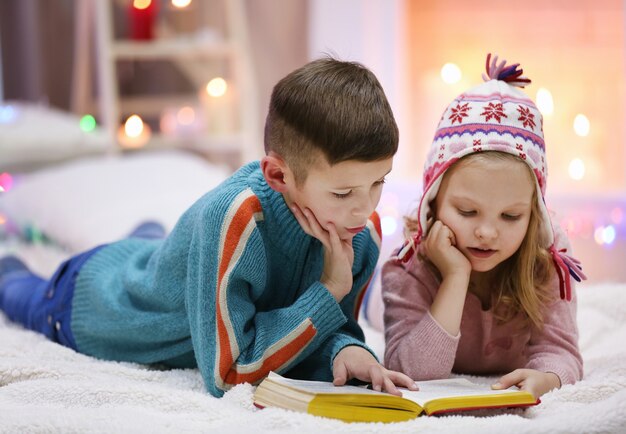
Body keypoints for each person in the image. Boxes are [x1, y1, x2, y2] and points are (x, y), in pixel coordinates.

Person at [0, 57, 416, 398]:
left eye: (379, 182)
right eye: (343, 193)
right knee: (16, 288)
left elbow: (330, 327)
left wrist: (346, 351)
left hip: (165, 267)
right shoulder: (231, 219)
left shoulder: (363, 231)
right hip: (92, 301)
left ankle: (150, 235)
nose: (364, 209)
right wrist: (328, 292)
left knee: (157, 248)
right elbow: (227, 374)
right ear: (278, 176)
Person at [381, 54, 586, 399]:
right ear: (434, 200)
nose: (487, 233)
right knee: (378, 307)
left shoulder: (546, 262)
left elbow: (562, 353)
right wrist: (455, 276)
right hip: (412, 282)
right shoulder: (409, 265)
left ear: (534, 213)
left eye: (510, 217)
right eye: (467, 211)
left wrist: (547, 378)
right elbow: (411, 372)